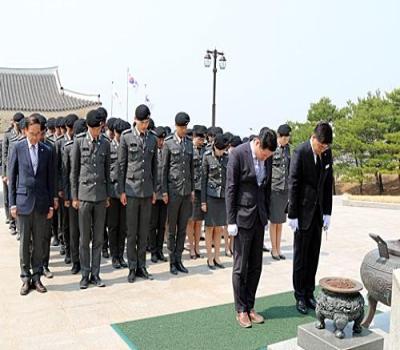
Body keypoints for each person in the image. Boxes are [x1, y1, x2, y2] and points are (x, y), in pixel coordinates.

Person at [226, 127, 277, 328]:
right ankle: (240, 309)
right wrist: (231, 221)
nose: (266, 158)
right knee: (240, 266)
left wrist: (268, 214)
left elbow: (267, 187)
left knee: (256, 266)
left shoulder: (268, 157)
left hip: (259, 218)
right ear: (257, 143)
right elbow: (231, 188)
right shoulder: (238, 154)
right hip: (242, 217)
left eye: (269, 155)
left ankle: (250, 305)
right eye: (264, 154)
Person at [288, 121, 333, 315]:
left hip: (318, 214)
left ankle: (309, 292)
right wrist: (293, 215)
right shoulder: (300, 152)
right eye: (321, 145)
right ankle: (299, 296)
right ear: (313, 138)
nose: (323, 149)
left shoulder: (326, 153)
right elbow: (294, 184)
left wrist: (328, 212)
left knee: (313, 255)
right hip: (303, 213)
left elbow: (327, 184)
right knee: (301, 257)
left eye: (326, 147)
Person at [8, 114, 55, 295]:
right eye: (32, 133)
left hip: (42, 203)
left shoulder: (46, 150)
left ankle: (37, 277)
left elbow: (50, 181)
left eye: (38, 134)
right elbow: (12, 178)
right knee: (25, 243)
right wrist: (12, 204)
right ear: (25, 130)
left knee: (40, 243)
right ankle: (25, 278)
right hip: (23, 202)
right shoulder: (17, 147)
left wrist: (51, 205)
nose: (35, 137)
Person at [70, 109, 111, 289]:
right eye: (94, 129)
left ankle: (96, 274)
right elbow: (74, 172)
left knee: (99, 239)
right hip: (84, 196)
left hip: (101, 196)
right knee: (84, 238)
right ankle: (85, 274)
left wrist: (108, 195)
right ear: (88, 127)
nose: (97, 131)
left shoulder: (105, 143)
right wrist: (74, 196)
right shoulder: (78, 142)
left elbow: (107, 172)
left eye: (99, 128)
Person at [118, 105, 158, 283]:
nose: (145, 125)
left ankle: (142, 265)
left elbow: (155, 166)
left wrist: (155, 190)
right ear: (135, 120)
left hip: (147, 191)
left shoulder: (152, 139)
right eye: (142, 122)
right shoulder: (126, 137)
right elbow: (121, 166)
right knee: (132, 231)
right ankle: (132, 267)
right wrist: (121, 191)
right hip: (131, 190)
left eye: (147, 122)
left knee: (144, 231)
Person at [162, 112, 194, 275]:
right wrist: (164, 191)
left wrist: (192, 189)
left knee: (182, 228)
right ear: (176, 126)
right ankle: (171, 262)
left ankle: (179, 259)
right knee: (172, 229)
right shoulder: (168, 143)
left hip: (186, 191)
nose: (184, 130)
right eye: (182, 127)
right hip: (173, 191)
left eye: (186, 127)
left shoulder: (189, 143)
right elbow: (164, 169)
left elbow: (191, 169)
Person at [62, 118, 87, 275]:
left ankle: (84, 261)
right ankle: (75, 260)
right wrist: (67, 197)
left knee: (85, 232)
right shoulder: (69, 147)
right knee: (73, 231)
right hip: (73, 196)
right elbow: (66, 174)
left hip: (87, 195)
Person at [201, 133, 229, 269]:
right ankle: (209, 258)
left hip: (222, 197)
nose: (222, 152)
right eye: (220, 149)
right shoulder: (206, 157)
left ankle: (217, 256)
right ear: (215, 147)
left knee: (219, 228)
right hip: (210, 197)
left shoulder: (227, 158)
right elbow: (203, 180)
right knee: (209, 228)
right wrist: (203, 202)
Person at [108, 119, 130, 269]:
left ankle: (121, 255)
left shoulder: (128, 146)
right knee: (113, 226)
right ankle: (114, 255)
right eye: (120, 134)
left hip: (126, 191)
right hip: (112, 191)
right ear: (115, 133)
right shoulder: (108, 147)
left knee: (123, 226)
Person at [269, 124, 292, 260]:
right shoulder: (272, 147)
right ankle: (274, 249)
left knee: (281, 221)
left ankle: (278, 248)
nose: (287, 140)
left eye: (288, 138)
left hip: (284, 188)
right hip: (274, 188)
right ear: (279, 136)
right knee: (274, 220)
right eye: (285, 138)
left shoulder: (288, 149)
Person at [187, 125, 207, 259]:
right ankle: (191, 247)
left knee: (199, 220)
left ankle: (197, 247)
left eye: (203, 138)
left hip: (203, 189)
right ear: (194, 137)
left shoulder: (206, 151)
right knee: (191, 220)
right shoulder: (189, 150)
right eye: (199, 138)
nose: (201, 141)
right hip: (192, 189)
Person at [2, 112, 24, 236]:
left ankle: (17, 222)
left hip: (18, 171)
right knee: (7, 198)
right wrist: (5, 174)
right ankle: (11, 221)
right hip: (9, 170)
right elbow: (5, 155)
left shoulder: (23, 134)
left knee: (16, 196)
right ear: (14, 123)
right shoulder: (8, 135)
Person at [149, 126, 168, 263]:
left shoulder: (166, 152)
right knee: (153, 224)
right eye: (159, 139)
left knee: (162, 225)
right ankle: (153, 250)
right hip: (154, 194)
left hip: (164, 194)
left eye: (162, 139)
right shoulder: (150, 152)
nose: (161, 142)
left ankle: (160, 250)